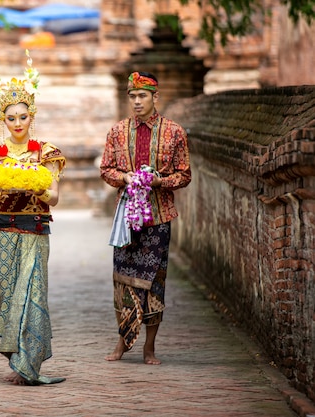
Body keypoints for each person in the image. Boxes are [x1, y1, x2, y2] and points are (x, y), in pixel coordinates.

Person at [0, 50, 66, 385]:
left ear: (32, 116)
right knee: (8, 296)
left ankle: (29, 365)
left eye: (23, 116)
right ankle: (16, 359)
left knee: (32, 296)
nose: (17, 123)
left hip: (33, 231)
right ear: (3, 119)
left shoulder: (47, 152)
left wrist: (36, 181)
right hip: (0, 230)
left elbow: (54, 198)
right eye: (11, 117)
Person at [99, 71, 191, 365]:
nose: (137, 102)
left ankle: (149, 348)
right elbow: (106, 169)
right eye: (133, 96)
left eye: (142, 96)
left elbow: (185, 175)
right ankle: (122, 343)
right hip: (126, 218)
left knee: (153, 282)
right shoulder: (116, 132)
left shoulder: (174, 132)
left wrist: (159, 183)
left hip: (159, 218)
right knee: (122, 280)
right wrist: (125, 177)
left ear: (155, 97)